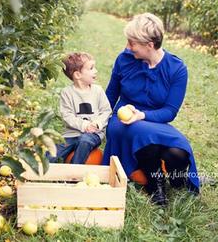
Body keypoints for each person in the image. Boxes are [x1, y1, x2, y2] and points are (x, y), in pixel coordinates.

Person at [102, 13, 200, 206]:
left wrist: (143, 115)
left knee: (176, 153)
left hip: (153, 121)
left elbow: (170, 111)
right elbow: (111, 95)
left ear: (149, 44)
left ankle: (178, 179)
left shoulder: (177, 69)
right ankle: (156, 186)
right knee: (139, 131)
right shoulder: (124, 60)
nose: (128, 47)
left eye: (132, 43)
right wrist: (98, 121)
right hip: (123, 121)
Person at [48, 52, 112, 164]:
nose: (95, 71)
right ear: (78, 75)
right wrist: (84, 125)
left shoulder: (98, 91)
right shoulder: (67, 93)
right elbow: (67, 115)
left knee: (85, 141)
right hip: (71, 134)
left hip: (93, 134)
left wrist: (97, 123)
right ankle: (40, 170)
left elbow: (106, 111)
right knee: (53, 153)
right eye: (91, 68)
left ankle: (73, 172)